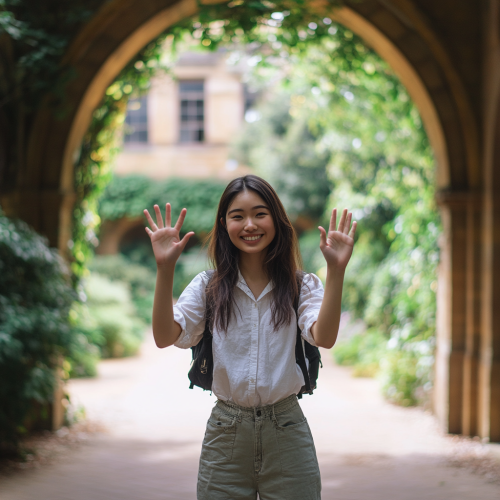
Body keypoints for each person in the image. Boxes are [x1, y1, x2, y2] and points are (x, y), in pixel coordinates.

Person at [143, 175, 357, 500]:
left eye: (260, 213)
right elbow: (164, 336)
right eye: (237, 216)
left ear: (276, 219)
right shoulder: (208, 286)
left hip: (286, 433)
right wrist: (164, 269)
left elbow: (323, 337)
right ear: (224, 223)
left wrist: (337, 271)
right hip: (226, 434)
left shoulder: (302, 286)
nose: (249, 224)